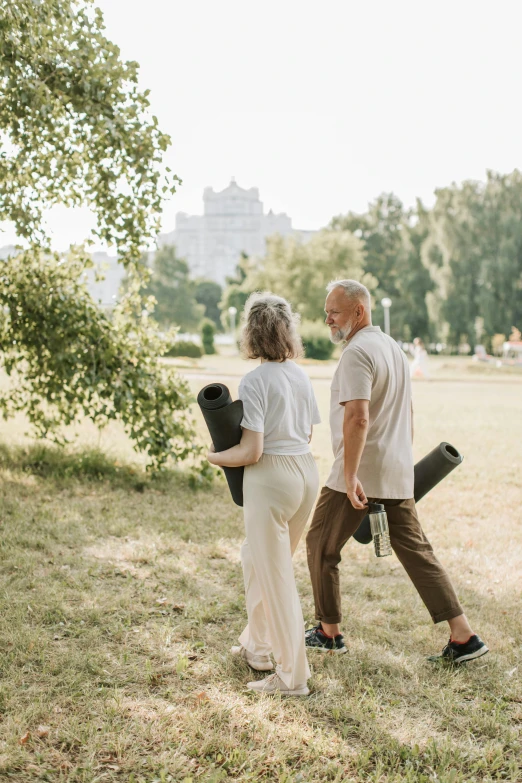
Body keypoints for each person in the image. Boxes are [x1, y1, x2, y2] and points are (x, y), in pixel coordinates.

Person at [305, 279, 488, 664]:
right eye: (326, 313)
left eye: (334, 312)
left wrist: (350, 475)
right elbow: (407, 412)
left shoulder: (356, 353)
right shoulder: (391, 348)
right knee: (419, 554)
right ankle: (464, 636)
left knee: (320, 544)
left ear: (359, 311)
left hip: (359, 474)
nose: (328, 320)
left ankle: (329, 632)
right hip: (394, 471)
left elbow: (357, 418)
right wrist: (402, 463)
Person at [207, 292, 321, 695]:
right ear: (287, 331)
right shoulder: (300, 375)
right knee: (254, 558)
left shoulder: (254, 380)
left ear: (251, 333)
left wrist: (214, 456)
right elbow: (307, 432)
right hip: (307, 473)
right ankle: (256, 647)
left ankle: (292, 678)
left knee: (276, 578)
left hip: (271, 477)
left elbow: (251, 450)